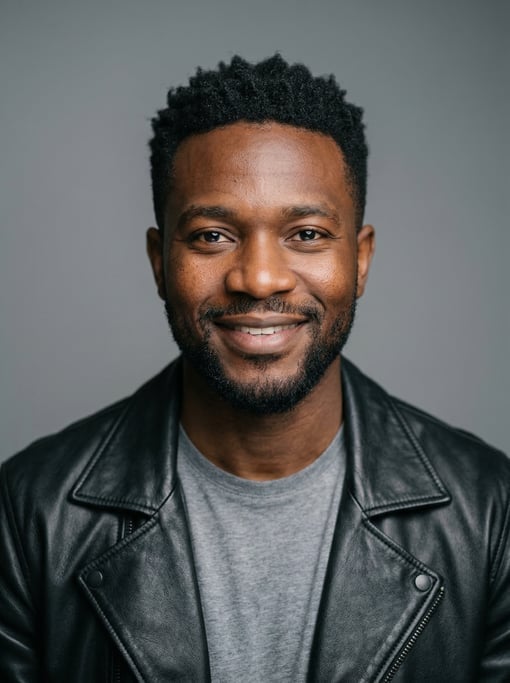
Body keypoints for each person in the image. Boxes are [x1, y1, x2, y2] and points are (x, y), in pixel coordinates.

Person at [0, 55, 508, 683]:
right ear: (161, 262)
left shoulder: (490, 513)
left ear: (361, 258)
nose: (260, 277)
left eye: (307, 234)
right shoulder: (29, 514)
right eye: (213, 236)